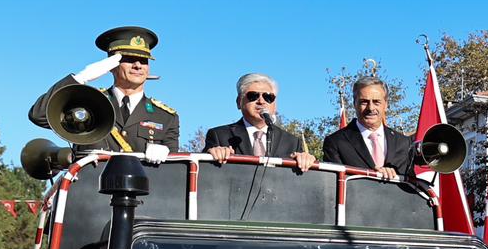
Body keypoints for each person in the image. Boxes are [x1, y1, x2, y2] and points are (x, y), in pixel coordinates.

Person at [29, 26, 180, 151]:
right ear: (112, 65)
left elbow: (174, 173)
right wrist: (81, 78)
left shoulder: (165, 117)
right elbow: (39, 115)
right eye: (128, 59)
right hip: (91, 186)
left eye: (143, 60)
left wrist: (166, 156)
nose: (138, 65)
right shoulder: (88, 102)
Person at [204, 73, 317, 171]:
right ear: (239, 102)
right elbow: (203, 171)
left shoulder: (291, 141)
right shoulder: (219, 135)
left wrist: (306, 160)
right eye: (253, 96)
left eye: (268, 97)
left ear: (275, 105)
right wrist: (213, 155)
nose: (261, 101)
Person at [321, 76, 414, 179]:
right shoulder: (336, 142)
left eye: (376, 102)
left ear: (386, 104)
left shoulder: (403, 142)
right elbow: (333, 184)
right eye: (364, 102)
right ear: (354, 104)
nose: (371, 108)